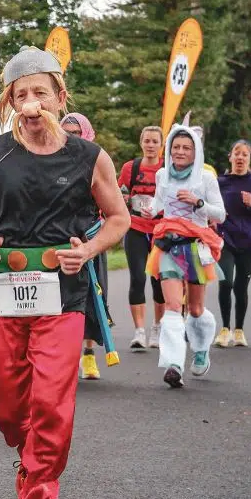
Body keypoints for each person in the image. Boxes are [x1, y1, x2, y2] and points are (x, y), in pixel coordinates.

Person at [0, 46, 128, 499]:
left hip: (63, 294)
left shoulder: (90, 157)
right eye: (20, 94)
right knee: (10, 409)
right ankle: (28, 455)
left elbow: (119, 218)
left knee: (52, 405)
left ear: (59, 98)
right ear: (9, 102)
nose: (30, 103)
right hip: (2, 294)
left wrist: (88, 249)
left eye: (39, 93)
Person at [143, 124, 226, 387]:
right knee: (172, 306)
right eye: (176, 147)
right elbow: (158, 204)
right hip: (168, 245)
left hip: (196, 247)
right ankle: (174, 364)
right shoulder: (162, 175)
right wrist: (149, 210)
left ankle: (201, 350)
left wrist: (198, 202)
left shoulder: (205, 179)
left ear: (195, 152)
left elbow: (220, 214)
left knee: (196, 308)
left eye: (186, 148)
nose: (180, 152)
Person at [61, 113, 110, 380]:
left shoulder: (96, 163)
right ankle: (65, 358)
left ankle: (88, 355)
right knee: (62, 301)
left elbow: (111, 208)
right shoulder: (50, 161)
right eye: (66, 131)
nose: (71, 137)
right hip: (59, 240)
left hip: (90, 239)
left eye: (76, 133)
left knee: (92, 297)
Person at [116, 125, 166, 352]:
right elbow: (118, 194)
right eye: (147, 141)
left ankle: (157, 327)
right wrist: (128, 201)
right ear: (141, 142)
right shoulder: (131, 168)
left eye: (155, 141)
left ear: (161, 144)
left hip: (161, 230)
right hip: (136, 227)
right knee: (137, 278)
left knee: (159, 280)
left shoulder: (167, 168)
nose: (151, 145)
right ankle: (139, 331)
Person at [213, 140, 251, 348]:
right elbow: (210, 206)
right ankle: (225, 329)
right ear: (230, 157)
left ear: (249, 158)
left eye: (245, 154)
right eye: (237, 153)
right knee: (225, 282)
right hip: (224, 240)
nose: (240, 157)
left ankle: (239, 331)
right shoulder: (220, 182)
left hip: (248, 243)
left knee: (240, 287)